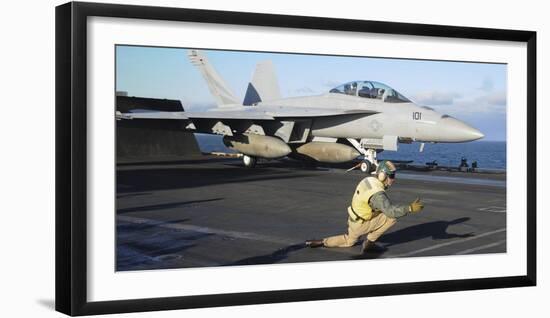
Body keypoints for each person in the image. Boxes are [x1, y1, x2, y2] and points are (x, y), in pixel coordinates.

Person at [305, 160, 424, 253]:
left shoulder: (369, 179)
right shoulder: (377, 194)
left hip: (353, 220)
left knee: (348, 241)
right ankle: (369, 243)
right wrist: (409, 208)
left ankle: (321, 242)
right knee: (391, 218)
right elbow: (390, 211)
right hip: (362, 223)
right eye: (391, 176)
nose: (393, 179)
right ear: (382, 175)